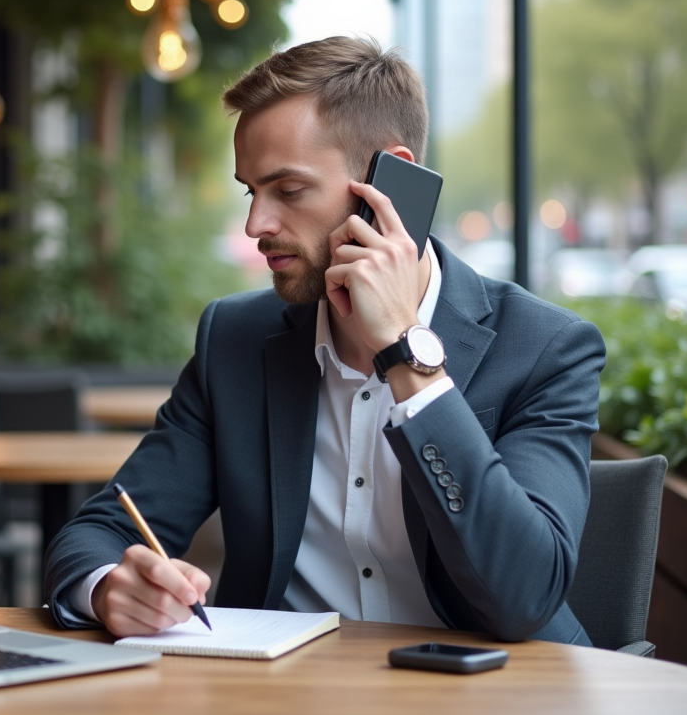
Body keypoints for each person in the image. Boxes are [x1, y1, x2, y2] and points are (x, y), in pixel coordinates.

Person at [44, 36, 605, 645]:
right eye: (250, 192)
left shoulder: (545, 348)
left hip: (492, 698)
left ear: (393, 179)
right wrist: (108, 586)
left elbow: (524, 596)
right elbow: (100, 530)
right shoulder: (234, 340)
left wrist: (405, 352)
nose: (257, 225)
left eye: (287, 190)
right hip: (285, 698)